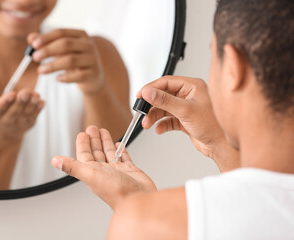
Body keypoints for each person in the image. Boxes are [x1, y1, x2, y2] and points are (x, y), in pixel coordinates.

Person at [51, 0, 294, 239]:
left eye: (213, 55)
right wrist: (221, 147)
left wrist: (137, 209)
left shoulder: (151, 224)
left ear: (233, 67)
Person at [0, 0, 131, 190]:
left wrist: (96, 90)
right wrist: (2, 138)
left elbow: (124, 181)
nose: (25, 1)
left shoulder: (95, 56)